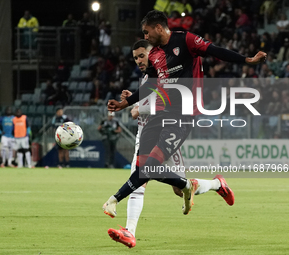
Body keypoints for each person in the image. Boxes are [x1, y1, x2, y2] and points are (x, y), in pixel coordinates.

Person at [103, 10, 266, 218]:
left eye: (146, 32)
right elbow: (150, 85)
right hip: (161, 116)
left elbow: (215, 51)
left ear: (159, 28)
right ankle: (214, 184)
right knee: (165, 181)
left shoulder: (186, 40)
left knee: (149, 169)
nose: (145, 37)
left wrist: (247, 60)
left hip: (182, 116)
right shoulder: (154, 54)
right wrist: (125, 103)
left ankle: (117, 206)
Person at [107, 39, 235, 248]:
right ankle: (129, 232)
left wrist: (141, 108)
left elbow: (171, 105)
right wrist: (134, 101)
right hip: (145, 137)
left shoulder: (168, 74)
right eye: (136, 58)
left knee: (177, 188)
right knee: (140, 179)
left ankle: (217, 184)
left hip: (166, 134)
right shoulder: (149, 77)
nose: (139, 61)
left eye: (142, 55)